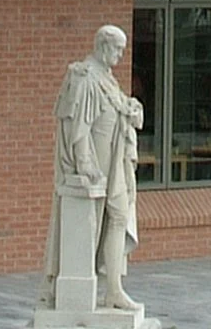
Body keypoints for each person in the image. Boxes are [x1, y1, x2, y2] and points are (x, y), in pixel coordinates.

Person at [39, 24, 145, 313]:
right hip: (99, 165)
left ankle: (114, 289)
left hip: (115, 163)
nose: (121, 56)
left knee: (120, 217)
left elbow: (117, 107)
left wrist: (131, 109)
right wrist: (86, 166)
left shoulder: (107, 78)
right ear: (103, 45)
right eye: (118, 49)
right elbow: (78, 127)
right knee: (98, 224)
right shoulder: (85, 77)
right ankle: (99, 290)